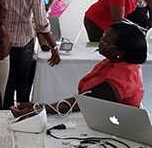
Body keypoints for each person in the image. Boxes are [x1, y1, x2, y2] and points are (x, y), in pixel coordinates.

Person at [11, 22, 147, 118]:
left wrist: (38, 109)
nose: (100, 42)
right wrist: (38, 107)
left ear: (120, 53)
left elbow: (84, 102)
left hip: (114, 124)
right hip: (99, 114)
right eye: (103, 37)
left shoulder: (123, 77)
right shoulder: (114, 62)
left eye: (106, 41)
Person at [1, 0, 61, 109]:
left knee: (6, 84)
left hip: (2, 42)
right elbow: (41, 22)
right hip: (24, 43)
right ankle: (23, 117)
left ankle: (4, 118)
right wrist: (54, 46)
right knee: (23, 86)